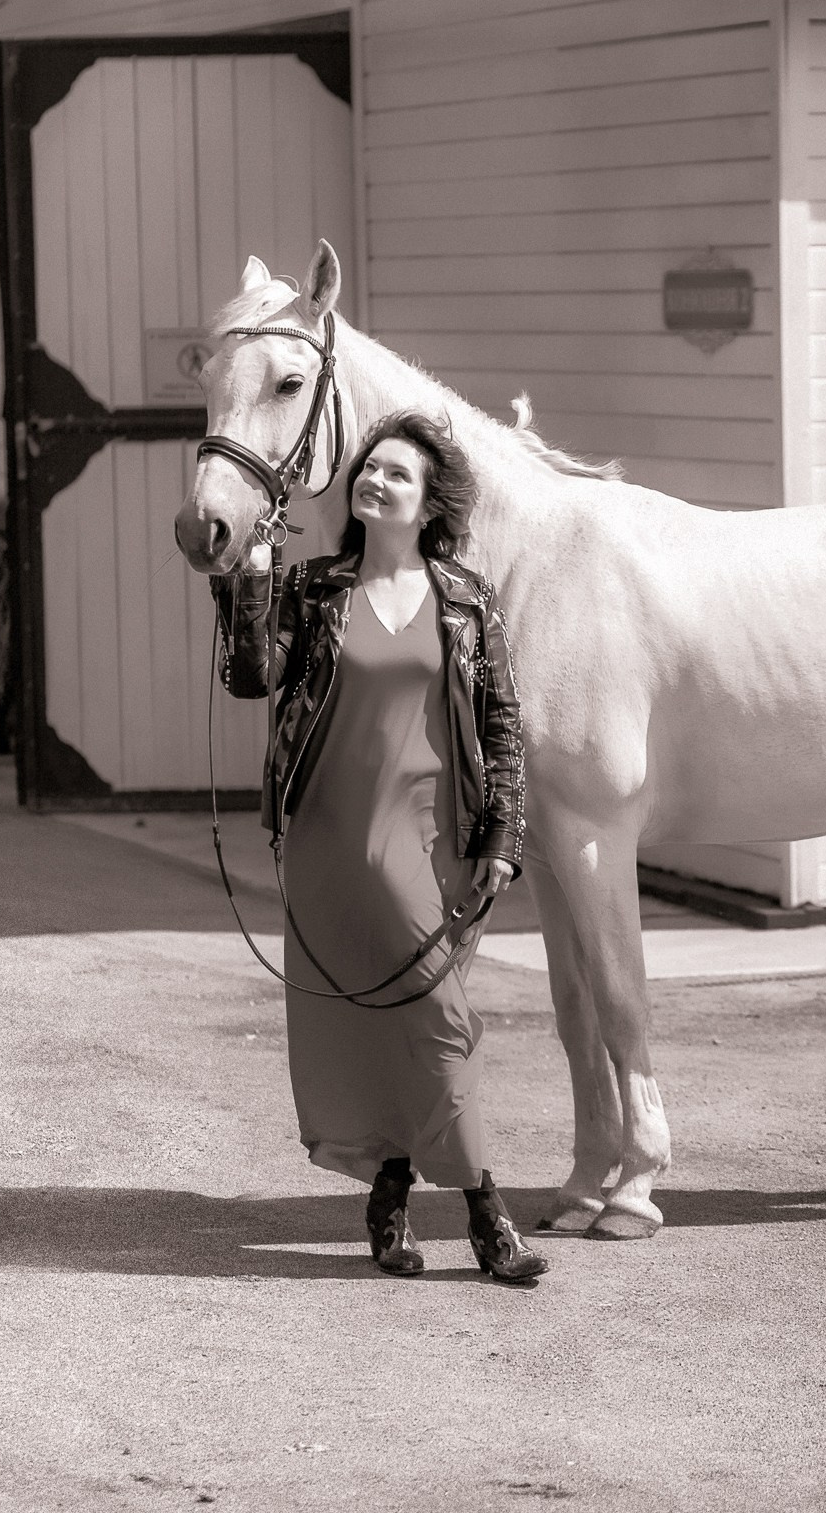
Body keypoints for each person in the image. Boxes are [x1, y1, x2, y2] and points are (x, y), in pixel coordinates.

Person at [214, 410, 549, 1285]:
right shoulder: (315, 588)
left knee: (409, 1019)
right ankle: (486, 1215)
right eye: (369, 468)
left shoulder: (468, 598)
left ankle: (390, 1191)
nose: (375, 480)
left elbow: (502, 723)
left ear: (429, 502)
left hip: (442, 839)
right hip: (337, 837)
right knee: (436, 1020)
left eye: (397, 473)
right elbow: (252, 676)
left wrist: (504, 836)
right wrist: (252, 580)